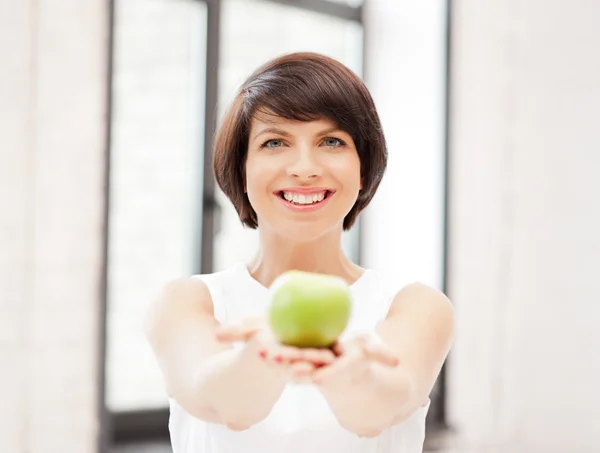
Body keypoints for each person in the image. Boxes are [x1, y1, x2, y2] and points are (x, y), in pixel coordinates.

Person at [144, 52, 454, 453]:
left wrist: (348, 373)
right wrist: (262, 356)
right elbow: (225, 403)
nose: (304, 168)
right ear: (241, 167)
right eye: (275, 142)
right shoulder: (186, 303)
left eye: (331, 141)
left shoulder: (415, 307)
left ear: (363, 169)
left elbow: (375, 413)